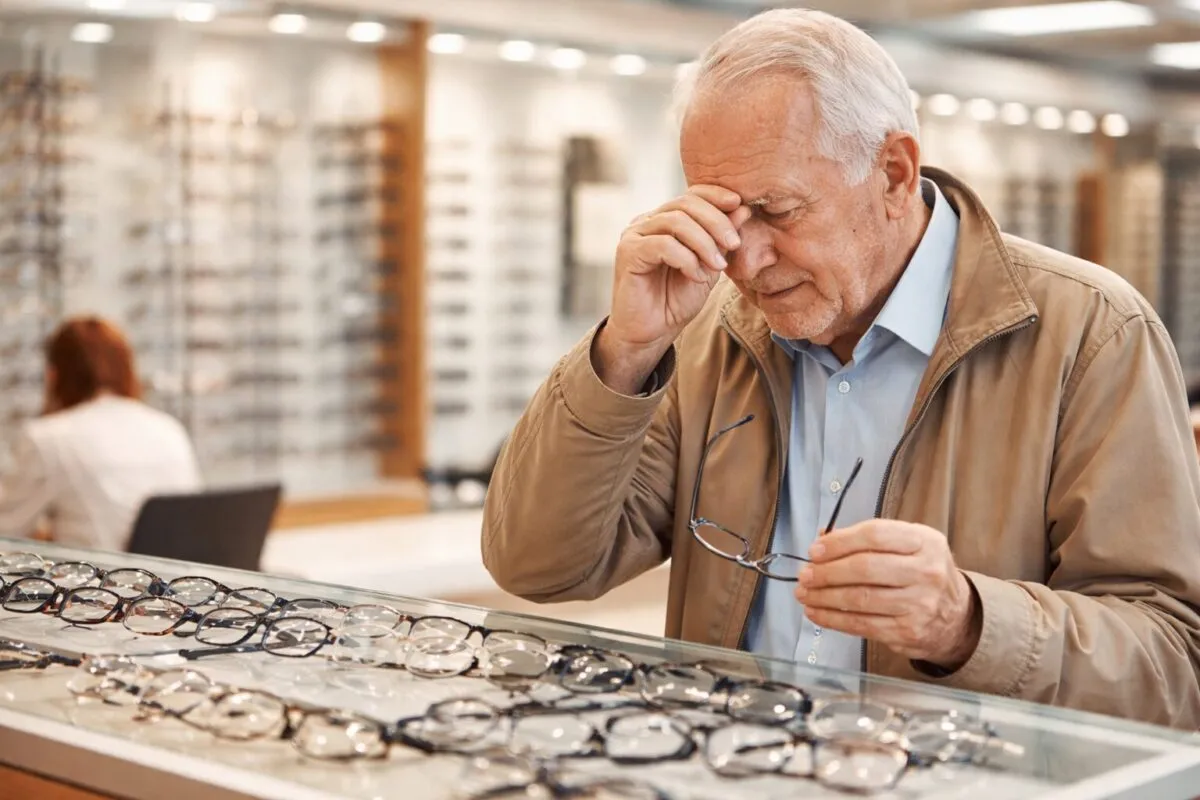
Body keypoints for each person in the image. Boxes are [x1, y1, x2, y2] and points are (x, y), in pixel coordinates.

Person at [481, 8, 1200, 728]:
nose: (746, 260)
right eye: (726, 217)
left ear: (894, 172)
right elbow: (539, 564)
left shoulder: (1095, 333)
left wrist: (969, 624)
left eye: (778, 211)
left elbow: (1174, 664)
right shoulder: (706, 334)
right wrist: (625, 352)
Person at [0, 316, 202, 552]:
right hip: (177, 582)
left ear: (54, 376)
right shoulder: (169, 429)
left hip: (98, 583)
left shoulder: (47, 438)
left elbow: (6, 532)